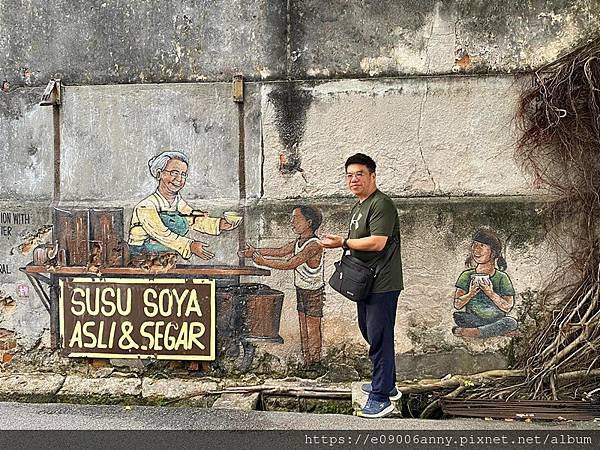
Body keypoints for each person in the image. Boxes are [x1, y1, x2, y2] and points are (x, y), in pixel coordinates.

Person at [319, 153, 403, 419]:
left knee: (379, 337)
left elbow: (378, 242)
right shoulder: (360, 206)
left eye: (360, 174)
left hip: (383, 283)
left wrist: (341, 242)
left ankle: (381, 398)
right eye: (350, 175)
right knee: (370, 331)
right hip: (366, 282)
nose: (354, 179)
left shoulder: (382, 205)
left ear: (372, 176)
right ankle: (387, 386)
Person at [240, 206, 325, 365]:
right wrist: (255, 251)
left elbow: (291, 263)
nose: (292, 222)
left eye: (296, 218)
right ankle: (308, 363)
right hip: (302, 289)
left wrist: (264, 262)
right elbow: (280, 251)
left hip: (313, 293)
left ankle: (315, 363)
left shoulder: (315, 245)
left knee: (312, 329)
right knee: (303, 328)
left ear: (309, 222)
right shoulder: (299, 241)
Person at [128, 151, 239, 260]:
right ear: (159, 174)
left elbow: (193, 220)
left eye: (183, 174)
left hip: (167, 257)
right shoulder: (145, 206)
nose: (179, 179)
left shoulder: (178, 202)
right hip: (143, 259)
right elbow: (162, 234)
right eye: (174, 173)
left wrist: (219, 224)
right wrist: (190, 246)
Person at [453, 229, 518, 338]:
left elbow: (507, 307)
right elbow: (457, 304)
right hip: (473, 319)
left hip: (497, 320)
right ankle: (489, 331)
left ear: (493, 252)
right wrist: (471, 293)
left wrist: (490, 293)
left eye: (482, 246)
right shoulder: (466, 275)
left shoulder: (502, 277)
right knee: (458, 317)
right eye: (474, 245)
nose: (475, 250)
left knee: (511, 322)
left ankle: (476, 332)